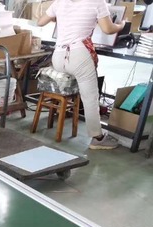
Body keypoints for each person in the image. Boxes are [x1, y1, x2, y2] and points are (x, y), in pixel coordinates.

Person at [38, 0, 126, 150]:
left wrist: (60, 17)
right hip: (78, 55)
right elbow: (108, 29)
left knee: (83, 83)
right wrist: (122, 24)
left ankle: (67, 111)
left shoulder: (60, 1)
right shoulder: (97, 2)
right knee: (90, 97)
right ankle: (98, 138)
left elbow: (40, 22)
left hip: (58, 57)